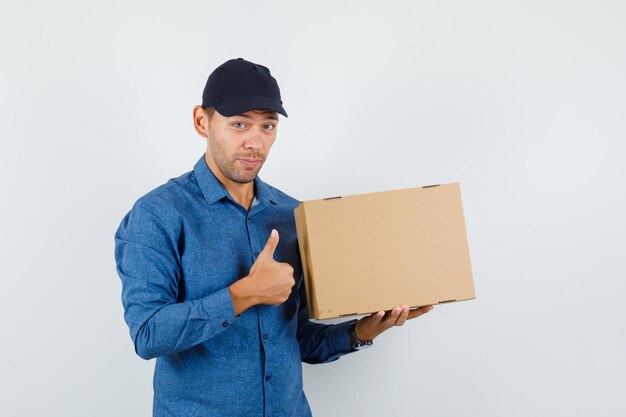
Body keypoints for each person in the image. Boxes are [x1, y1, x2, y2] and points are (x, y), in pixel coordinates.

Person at [114, 57, 433, 417]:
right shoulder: (157, 214)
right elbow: (147, 334)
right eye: (239, 124)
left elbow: (298, 339)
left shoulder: (292, 214)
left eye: (268, 126)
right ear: (202, 122)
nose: (256, 142)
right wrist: (243, 294)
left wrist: (364, 329)